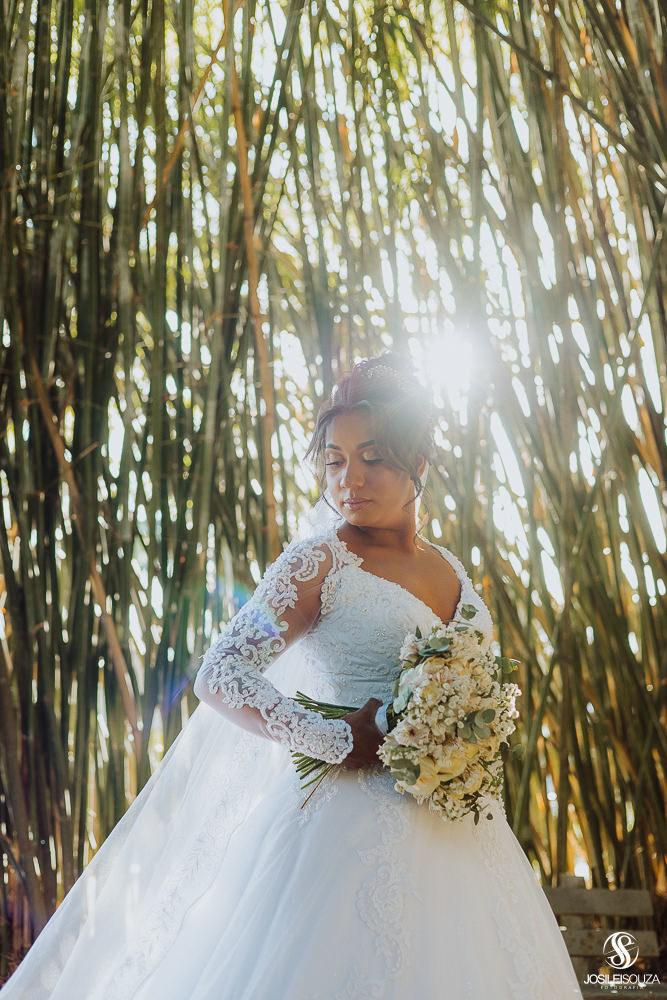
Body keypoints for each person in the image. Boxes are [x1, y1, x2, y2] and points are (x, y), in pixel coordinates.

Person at [1, 355, 583, 999]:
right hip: (347, 834)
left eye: (372, 457)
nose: (348, 478)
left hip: (464, 832)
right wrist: (332, 738)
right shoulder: (319, 564)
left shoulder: (451, 567)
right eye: (334, 461)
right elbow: (220, 674)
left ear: (418, 461)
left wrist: (463, 738)